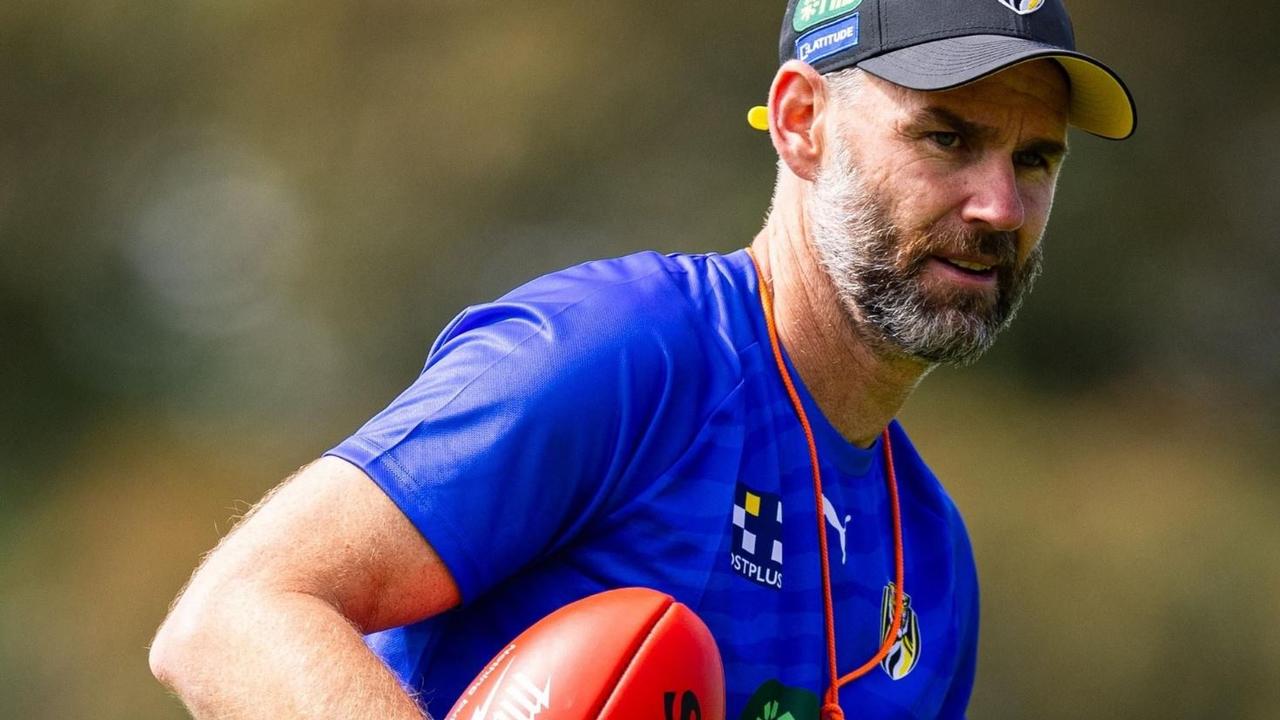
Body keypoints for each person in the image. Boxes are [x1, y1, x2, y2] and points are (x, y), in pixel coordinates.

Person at [149, 1, 1135, 718]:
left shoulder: (934, 563)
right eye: (947, 138)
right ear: (802, 123)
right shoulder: (625, 352)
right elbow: (233, 616)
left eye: (1034, 159)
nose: (998, 207)